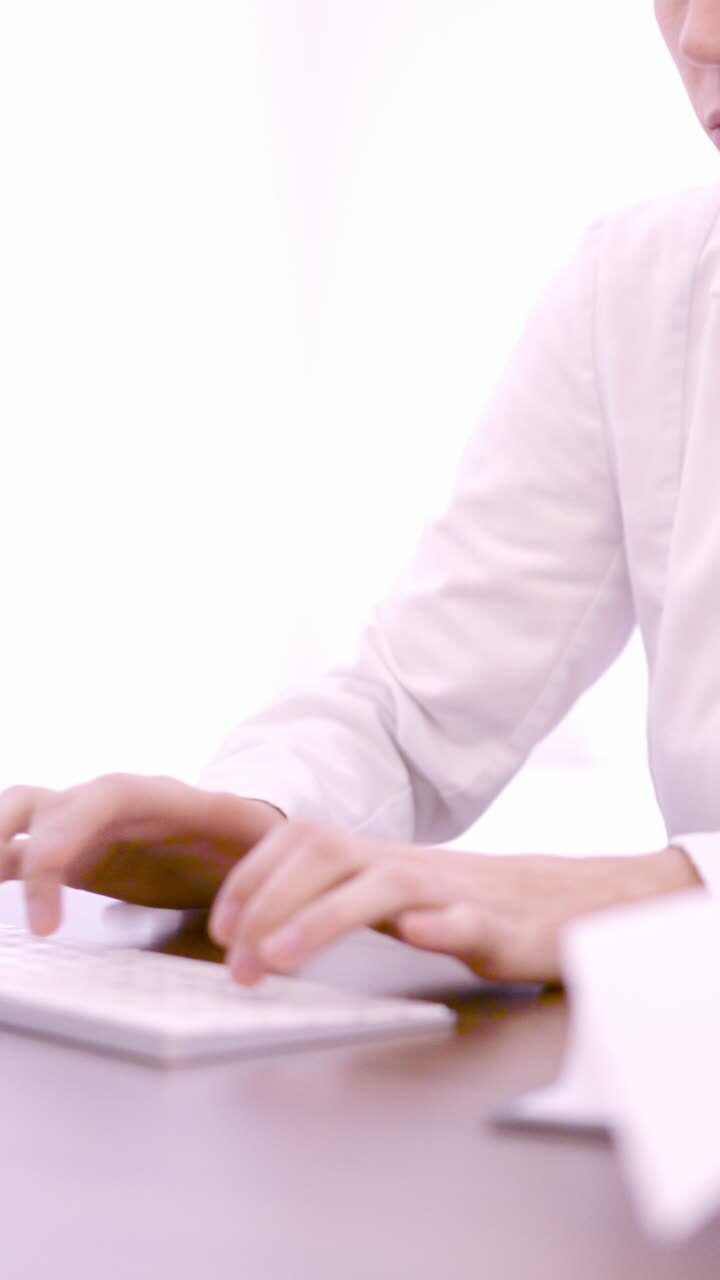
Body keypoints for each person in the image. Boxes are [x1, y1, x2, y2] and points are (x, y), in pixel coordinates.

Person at [1, 1, 719, 987]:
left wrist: (663, 889)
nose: (699, 38)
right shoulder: (642, 288)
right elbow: (409, 714)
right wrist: (253, 824)